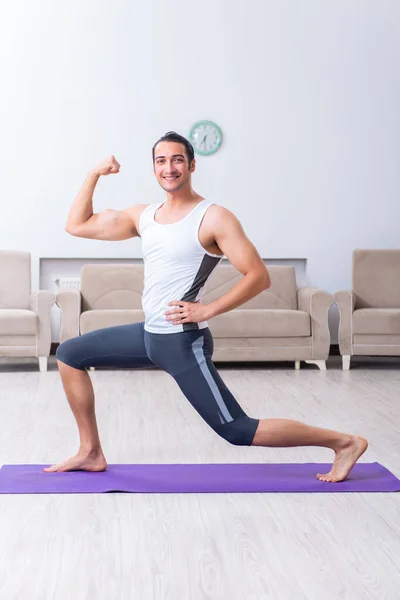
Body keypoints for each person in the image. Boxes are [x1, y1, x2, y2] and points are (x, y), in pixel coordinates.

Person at [46, 131, 368, 482]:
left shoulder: (213, 218)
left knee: (236, 429)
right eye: (161, 161)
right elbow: (76, 224)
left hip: (182, 342)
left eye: (177, 160)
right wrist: (95, 173)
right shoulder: (144, 216)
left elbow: (258, 276)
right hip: (150, 335)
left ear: (192, 165)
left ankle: (343, 442)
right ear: (154, 169)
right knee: (70, 353)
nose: (169, 168)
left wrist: (206, 310)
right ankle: (91, 451)